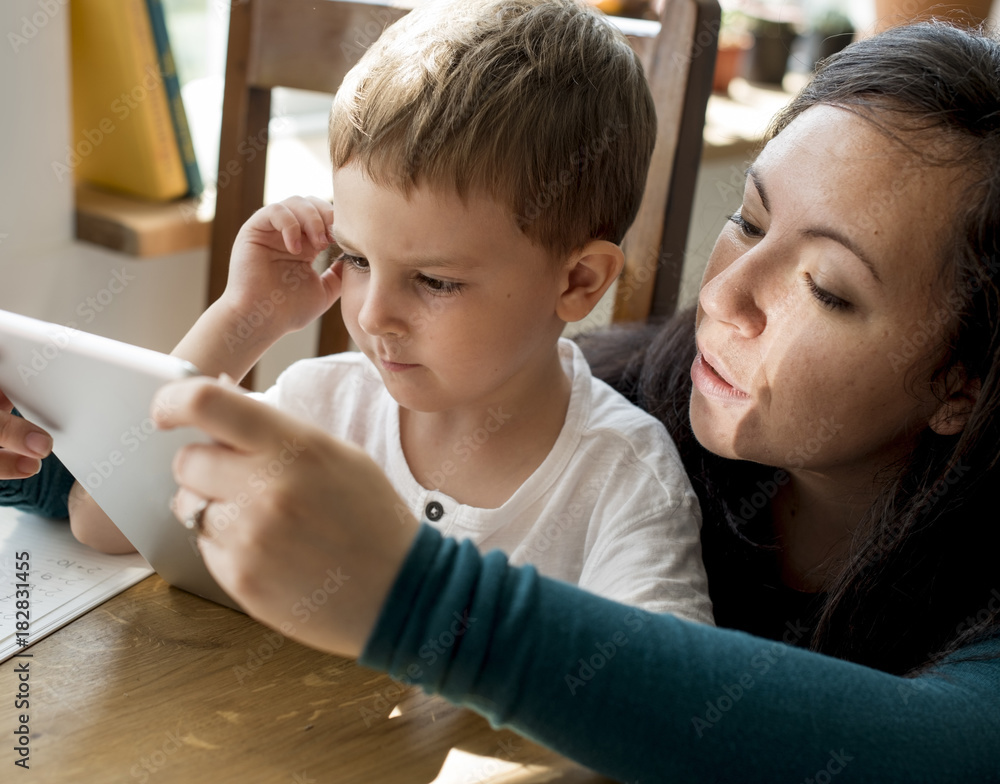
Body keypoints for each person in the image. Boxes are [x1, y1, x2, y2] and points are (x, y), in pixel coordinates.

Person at [3, 15, 999, 784]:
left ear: (965, 378)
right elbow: (114, 506)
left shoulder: (621, 467)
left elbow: (938, 754)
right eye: (745, 221)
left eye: (827, 287)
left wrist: (411, 593)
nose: (722, 295)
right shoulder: (615, 391)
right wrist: (38, 435)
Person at [42, 0, 715, 622]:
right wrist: (243, 315)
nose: (371, 316)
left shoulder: (624, 477)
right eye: (357, 259)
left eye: (434, 281)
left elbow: (672, 714)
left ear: (578, 280)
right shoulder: (325, 404)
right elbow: (102, 522)